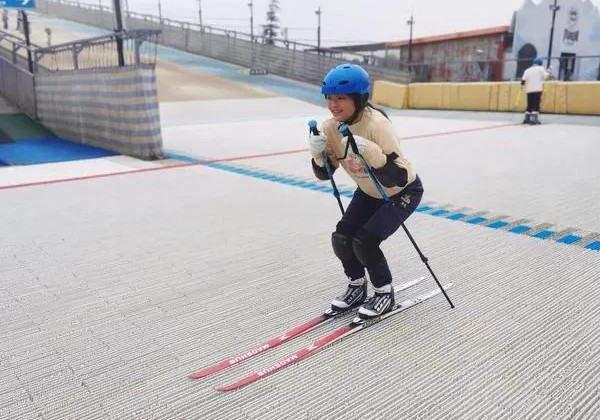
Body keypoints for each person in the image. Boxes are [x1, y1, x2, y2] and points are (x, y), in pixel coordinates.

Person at [308, 63, 424, 319]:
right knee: (341, 238)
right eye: (329, 98)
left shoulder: (377, 126)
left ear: (359, 99)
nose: (333, 104)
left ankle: (384, 292)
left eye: (341, 98)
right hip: (369, 191)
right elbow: (325, 175)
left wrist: (375, 156)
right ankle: (357, 286)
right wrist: (318, 156)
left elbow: (399, 176)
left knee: (366, 242)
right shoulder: (330, 128)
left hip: (401, 192)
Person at [521, 57, 551, 125]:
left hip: (529, 90)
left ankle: (527, 118)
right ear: (540, 63)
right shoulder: (541, 69)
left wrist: (522, 85)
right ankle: (534, 119)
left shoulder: (527, 70)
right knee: (536, 104)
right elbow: (546, 77)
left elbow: (523, 80)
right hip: (537, 89)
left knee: (529, 104)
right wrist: (549, 71)